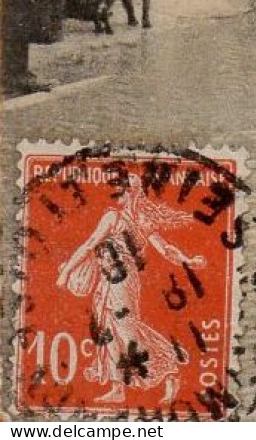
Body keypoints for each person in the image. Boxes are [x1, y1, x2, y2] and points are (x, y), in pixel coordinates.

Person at [56, 170, 203, 404]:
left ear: (132, 193)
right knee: (108, 330)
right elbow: (91, 245)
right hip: (107, 280)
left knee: (127, 329)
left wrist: (188, 260)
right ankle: (118, 388)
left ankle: (169, 370)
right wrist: (68, 270)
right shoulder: (115, 217)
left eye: (122, 190)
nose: (117, 194)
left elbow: (164, 249)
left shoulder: (128, 220)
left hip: (123, 281)